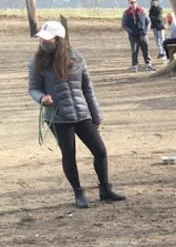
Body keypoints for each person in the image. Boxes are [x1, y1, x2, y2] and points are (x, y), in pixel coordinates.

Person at [28, 20, 126, 209]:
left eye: (49, 40)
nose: (44, 43)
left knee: (100, 151)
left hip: (82, 113)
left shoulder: (77, 59)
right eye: (42, 39)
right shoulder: (36, 62)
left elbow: (88, 88)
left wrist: (96, 114)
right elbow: (33, 88)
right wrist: (42, 98)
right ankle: (78, 192)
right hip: (57, 117)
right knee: (69, 154)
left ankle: (105, 188)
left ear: (59, 40)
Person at [120, 0, 153, 72]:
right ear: (129, 3)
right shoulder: (126, 13)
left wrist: (146, 30)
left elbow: (148, 21)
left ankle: (148, 64)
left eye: (135, 2)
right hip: (133, 36)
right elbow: (123, 25)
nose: (134, 4)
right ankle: (134, 65)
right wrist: (131, 32)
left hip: (143, 34)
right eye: (132, 2)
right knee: (134, 50)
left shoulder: (142, 11)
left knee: (146, 49)